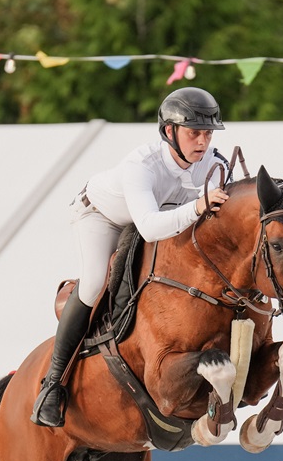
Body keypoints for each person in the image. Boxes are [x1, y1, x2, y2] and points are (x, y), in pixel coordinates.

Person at [31, 87, 231, 426]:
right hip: (103, 217)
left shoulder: (214, 164)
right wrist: (198, 205)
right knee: (95, 283)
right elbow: (152, 228)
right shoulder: (142, 165)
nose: (202, 142)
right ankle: (52, 386)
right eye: (194, 132)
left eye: (208, 133)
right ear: (170, 131)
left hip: (153, 221)